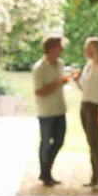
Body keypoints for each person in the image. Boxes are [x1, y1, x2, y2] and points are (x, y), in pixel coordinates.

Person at [74, 37, 98, 192]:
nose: (86, 51)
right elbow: (84, 88)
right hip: (85, 105)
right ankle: (95, 176)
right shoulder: (88, 66)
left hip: (95, 106)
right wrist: (77, 81)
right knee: (91, 143)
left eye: (89, 48)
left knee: (95, 143)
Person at [32, 35, 68, 187]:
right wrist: (57, 84)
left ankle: (47, 171)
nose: (62, 50)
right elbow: (38, 91)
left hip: (60, 109)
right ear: (52, 49)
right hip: (46, 111)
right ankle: (45, 174)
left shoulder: (60, 64)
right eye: (59, 47)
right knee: (45, 142)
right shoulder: (39, 68)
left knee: (59, 141)